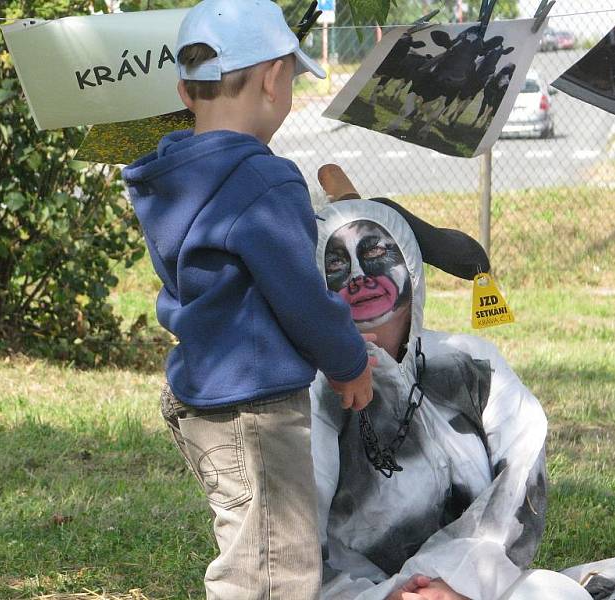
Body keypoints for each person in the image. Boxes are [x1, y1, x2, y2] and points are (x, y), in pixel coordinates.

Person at [309, 192, 615, 600]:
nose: (359, 276)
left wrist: (457, 584)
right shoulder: (315, 392)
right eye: (335, 264)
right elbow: (297, 539)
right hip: (369, 597)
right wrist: (389, 596)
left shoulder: (472, 363)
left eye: (376, 253)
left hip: (479, 586)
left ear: (411, 263)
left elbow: (520, 486)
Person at [120, 3, 377, 598]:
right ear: (272, 78)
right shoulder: (264, 180)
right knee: (273, 566)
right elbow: (302, 297)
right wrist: (348, 361)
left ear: (186, 90)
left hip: (203, 396)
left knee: (247, 546)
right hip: (256, 407)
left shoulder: (170, 177)